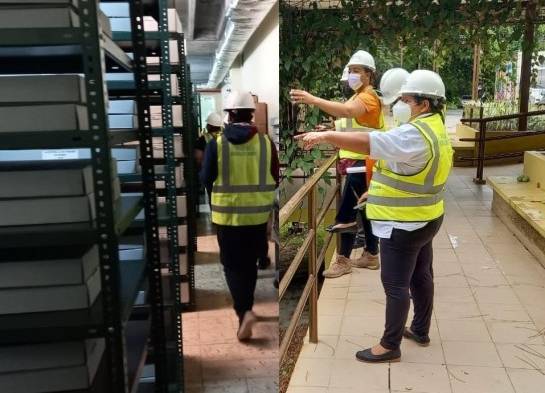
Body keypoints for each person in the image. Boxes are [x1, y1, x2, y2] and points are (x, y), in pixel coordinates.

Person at [295, 70, 454, 363]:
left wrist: (326, 135)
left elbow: (370, 143)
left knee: (396, 285)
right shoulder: (435, 127)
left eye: (406, 99)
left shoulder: (414, 133)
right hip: (428, 216)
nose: (400, 104)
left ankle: (389, 345)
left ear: (424, 103)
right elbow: (406, 168)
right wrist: (375, 193)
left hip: (403, 224)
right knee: (421, 275)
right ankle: (420, 329)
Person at [290, 50, 384, 279]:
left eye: (357, 71)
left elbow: (349, 112)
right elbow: (353, 123)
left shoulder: (367, 96)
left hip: (361, 164)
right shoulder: (359, 95)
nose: (352, 75)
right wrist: (330, 131)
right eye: (350, 71)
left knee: (346, 215)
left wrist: (313, 100)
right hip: (359, 162)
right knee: (364, 211)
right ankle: (371, 254)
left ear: (369, 74)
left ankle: (342, 260)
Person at [200, 91, 279, 340]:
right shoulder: (266, 142)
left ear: (230, 114)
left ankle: (244, 311)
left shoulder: (217, 144)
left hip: (227, 218)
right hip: (256, 217)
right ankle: (247, 308)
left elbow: (205, 179)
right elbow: (276, 176)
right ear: (251, 113)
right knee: (250, 265)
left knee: (233, 268)